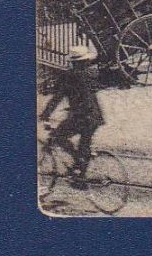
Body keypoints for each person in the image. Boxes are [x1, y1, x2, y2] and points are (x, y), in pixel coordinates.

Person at [41, 45, 105, 183]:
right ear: (86, 61)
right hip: (95, 116)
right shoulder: (91, 74)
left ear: (73, 62)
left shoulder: (68, 76)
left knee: (58, 136)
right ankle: (80, 173)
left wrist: (45, 114)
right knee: (84, 145)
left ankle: (78, 165)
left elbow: (57, 97)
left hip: (81, 117)